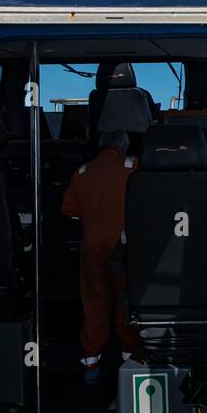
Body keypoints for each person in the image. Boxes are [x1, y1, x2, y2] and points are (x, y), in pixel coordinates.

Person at [61, 128, 142, 382]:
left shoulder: (83, 172)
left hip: (91, 244)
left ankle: (91, 362)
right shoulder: (133, 166)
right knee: (126, 300)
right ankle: (131, 358)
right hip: (125, 244)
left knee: (94, 299)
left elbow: (68, 210)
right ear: (124, 146)